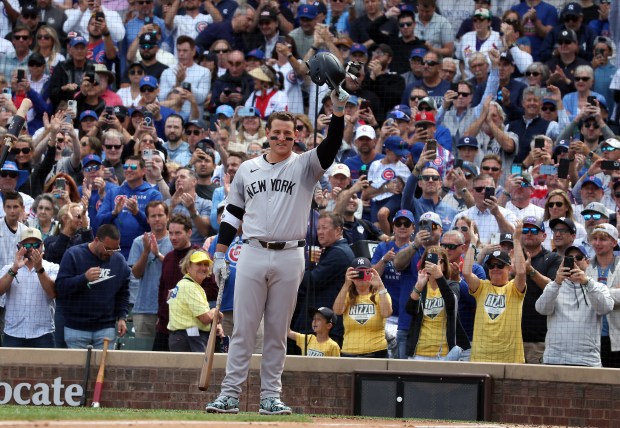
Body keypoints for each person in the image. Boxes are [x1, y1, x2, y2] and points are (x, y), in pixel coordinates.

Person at [206, 89, 347, 415]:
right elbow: (231, 214)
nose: (282, 138)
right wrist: (220, 253)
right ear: (267, 135)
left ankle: (270, 397)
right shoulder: (247, 169)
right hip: (252, 251)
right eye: (276, 133)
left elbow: (331, 145)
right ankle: (230, 395)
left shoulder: (305, 165)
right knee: (242, 328)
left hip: (290, 255)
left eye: (288, 133)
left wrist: (337, 113)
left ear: (296, 136)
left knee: (276, 331)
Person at [535, 245, 614, 367]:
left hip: (587, 360)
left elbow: (605, 308)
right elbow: (541, 309)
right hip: (555, 358)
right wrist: (556, 283)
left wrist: (586, 282)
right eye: (569, 258)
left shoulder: (598, 287)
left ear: (587, 263)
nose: (574, 261)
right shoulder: (554, 286)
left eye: (578, 257)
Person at [55, 224, 130, 349]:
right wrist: (84, 278)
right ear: (96, 240)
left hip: (105, 327)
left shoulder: (119, 261)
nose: (111, 253)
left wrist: (122, 317)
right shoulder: (73, 255)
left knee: (103, 368)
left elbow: (123, 293)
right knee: (78, 368)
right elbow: (60, 288)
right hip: (76, 327)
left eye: (115, 249)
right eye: (107, 248)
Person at [462, 220, 527, 363]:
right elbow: (466, 271)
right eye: (491, 265)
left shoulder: (514, 289)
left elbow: (522, 272)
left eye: (500, 265)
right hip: (481, 357)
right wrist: (473, 241)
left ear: (509, 268)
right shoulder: (482, 287)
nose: (495, 268)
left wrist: (516, 240)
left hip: (509, 359)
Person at [405, 246, 470, 360]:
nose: (433, 265)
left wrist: (439, 276)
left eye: (437, 261)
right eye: (429, 261)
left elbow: (451, 302)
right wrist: (418, 287)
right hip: (419, 353)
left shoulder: (452, 285)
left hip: (444, 354)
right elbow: (410, 310)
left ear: (444, 266)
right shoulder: (420, 286)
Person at [0, 228, 58, 348]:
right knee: (10, 367)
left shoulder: (52, 267)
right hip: (13, 333)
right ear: (19, 246)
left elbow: (53, 293)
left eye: (36, 244)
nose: (32, 248)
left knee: (45, 367)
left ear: (42, 246)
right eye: (27, 245)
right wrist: (14, 270)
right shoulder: (8, 268)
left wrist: (39, 269)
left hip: (43, 333)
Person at [128, 201, 172, 340]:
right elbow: (136, 273)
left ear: (168, 217)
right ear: (147, 219)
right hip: (143, 308)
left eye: (160, 215)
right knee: (142, 356)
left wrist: (158, 254)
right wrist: (146, 252)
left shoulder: (175, 239)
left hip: (169, 309)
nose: (157, 219)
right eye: (153, 216)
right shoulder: (138, 242)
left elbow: (178, 270)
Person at [333, 257, 392, 357]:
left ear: (371, 273)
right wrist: (346, 284)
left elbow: (386, 313)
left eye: (365, 273)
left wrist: (380, 286)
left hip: (376, 352)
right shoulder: (346, 294)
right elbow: (337, 311)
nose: (361, 277)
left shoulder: (380, 294)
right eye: (357, 273)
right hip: (349, 352)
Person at [167, 249, 223, 352]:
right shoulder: (189, 286)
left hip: (184, 337)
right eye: (198, 264)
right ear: (188, 267)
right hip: (189, 337)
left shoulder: (185, 284)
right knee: (197, 368)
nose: (203, 268)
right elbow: (205, 318)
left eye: (206, 264)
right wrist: (215, 311)